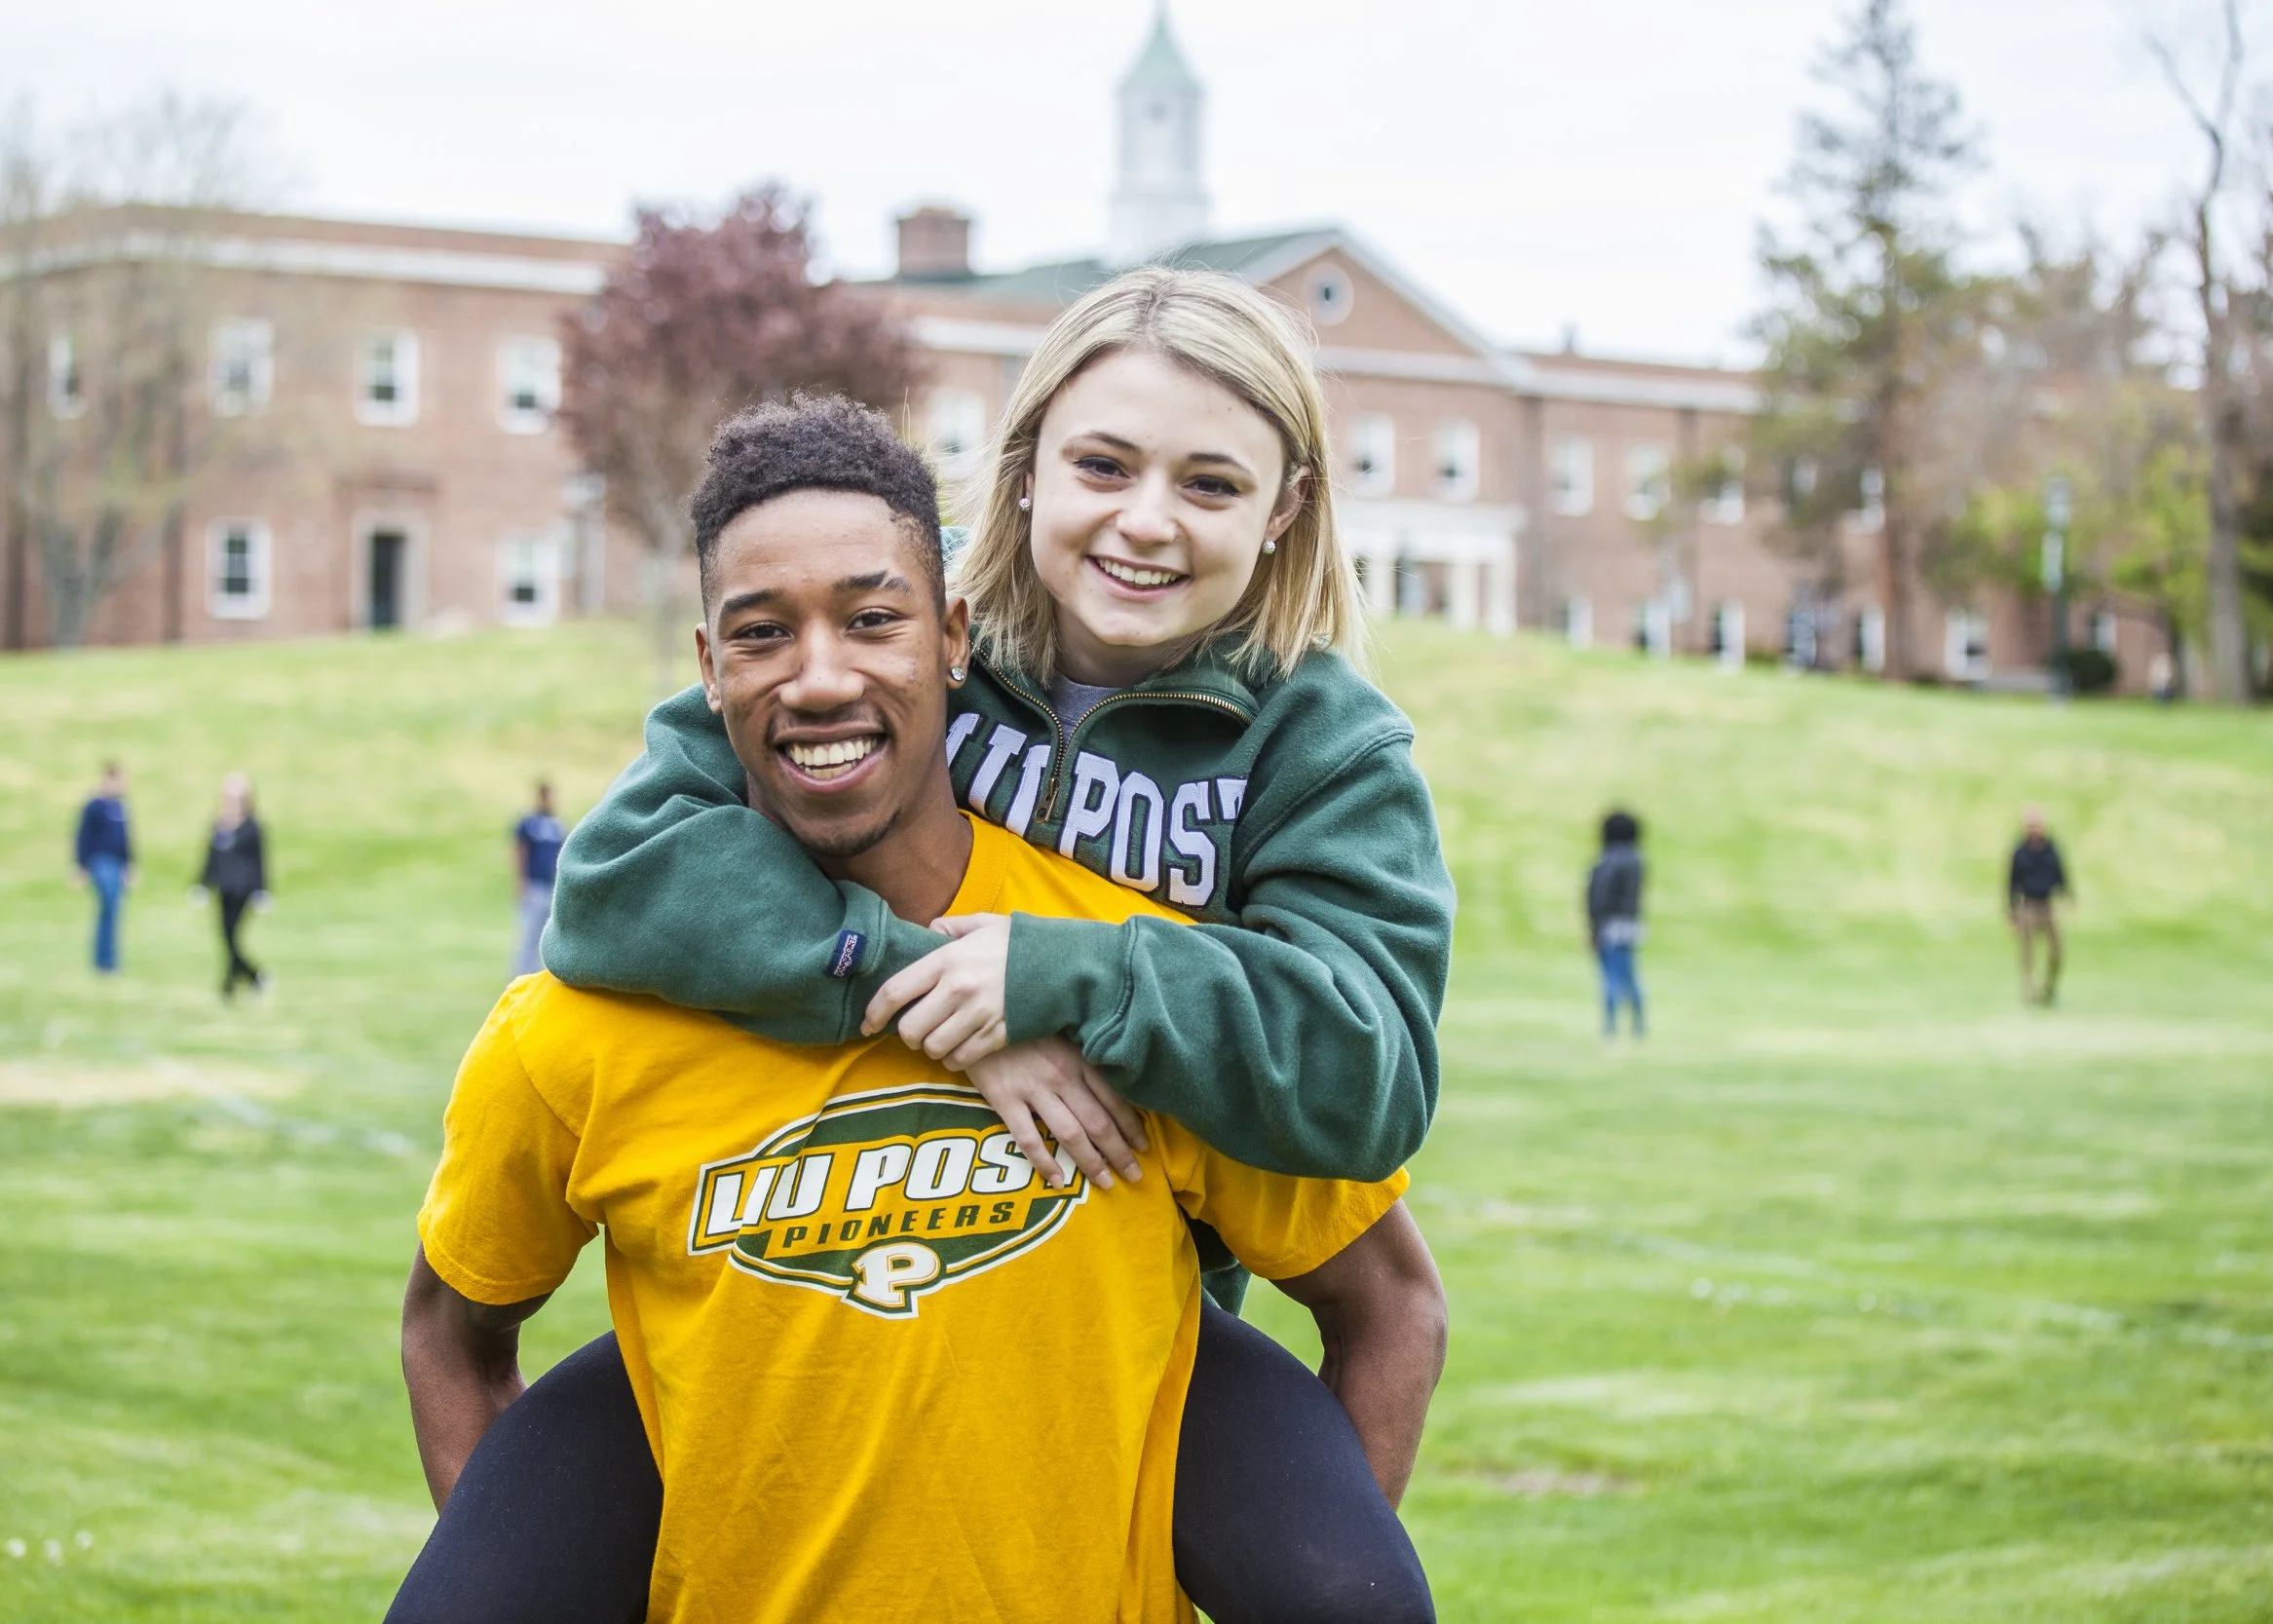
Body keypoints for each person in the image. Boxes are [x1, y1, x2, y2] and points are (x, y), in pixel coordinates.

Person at [390, 397, 1446, 1624]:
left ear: (954, 635)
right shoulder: (579, 1024)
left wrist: (1054, 988)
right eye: (764, 633)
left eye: (873, 617)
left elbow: (1386, 1302)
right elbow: (450, 1334)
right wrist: (914, 992)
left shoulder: (1136, 975)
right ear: (708, 670)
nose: (821, 676)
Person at [193, 772, 270, 1000]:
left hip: (243, 890)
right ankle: (250, 978)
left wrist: (261, 890)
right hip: (223, 889)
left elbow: (260, 861)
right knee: (225, 937)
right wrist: (202, 885)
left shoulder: (252, 827)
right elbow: (210, 858)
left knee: (232, 937)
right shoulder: (219, 825)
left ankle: (234, 984)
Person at [1586, 810, 1646, 1039]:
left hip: (1609, 925)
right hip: (1631, 924)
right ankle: (1638, 1025)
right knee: (1631, 976)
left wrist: (1594, 926)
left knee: (1609, 977)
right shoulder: (1638, 860)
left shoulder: (1608, 861)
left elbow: (1599, 896)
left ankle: (1610, 1027)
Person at [71, 761, 135, 974]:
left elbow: (126, 839)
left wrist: (129, 865)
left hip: (117, 864)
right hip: (100, 862)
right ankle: (102, 961)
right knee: (107, 907)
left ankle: (109, 961)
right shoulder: (95, 806)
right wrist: (81, 866)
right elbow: (83, 836)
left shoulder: (120, 807)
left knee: (113, 912)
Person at [2007, 805, 2071, 1005]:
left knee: (2056, 950)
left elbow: (2061, 872)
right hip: (2028, 905)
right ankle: (2030, 993)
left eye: (2037, 824)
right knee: (2028, 952)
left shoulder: (2051, 848)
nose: (2034, 828)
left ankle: (2049, 990)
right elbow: (2011, 882)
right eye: (2031, 825)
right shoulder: (2020, 851)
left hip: (2048, 905)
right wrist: (2013, 912)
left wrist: (2068, 895)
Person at [510, 782, 564, 978]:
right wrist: (520, 882)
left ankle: (540, 975)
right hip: (534, 885)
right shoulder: (529, 823)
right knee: (529, 934)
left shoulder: (557, 825)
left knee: (546, 934)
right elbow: (519, 852)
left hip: (550, 887)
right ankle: (521, 975)